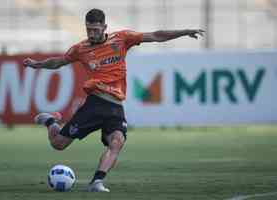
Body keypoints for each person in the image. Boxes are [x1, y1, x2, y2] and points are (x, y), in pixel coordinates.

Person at [23, 8, 204, 192]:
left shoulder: (122, 38)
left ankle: (96, 182)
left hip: (116, 107)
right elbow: (59, 61)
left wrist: (184, 32)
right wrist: (38, 65)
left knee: (117, 141)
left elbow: (156, 35)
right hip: (95, 104)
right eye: (88, 29)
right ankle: (51, 121)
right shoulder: (80, 49)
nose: (92, 33)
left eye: (95, 29)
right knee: (58, 144)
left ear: (104, 27)